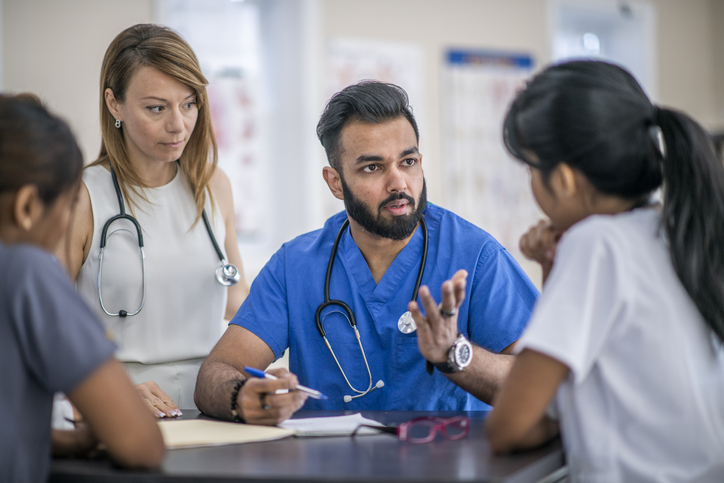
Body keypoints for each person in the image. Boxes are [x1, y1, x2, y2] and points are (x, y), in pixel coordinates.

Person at [194, 81, 538, 425]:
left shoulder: (476, 256)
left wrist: (456, 355)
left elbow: (536, 383)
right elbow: (217, 370)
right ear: (336, 182)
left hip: (446, 465)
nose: (398, 183)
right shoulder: (294, 266)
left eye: (408, 161)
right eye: (373, 167)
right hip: (328, 467)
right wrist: (243, 396)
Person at [485, 60, 724, 481]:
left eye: (530, 169)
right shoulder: (675, 229)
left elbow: (511, 425)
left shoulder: (597, 243)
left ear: (563, 180)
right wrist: (552, 268)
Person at [58, 24, 250, 416]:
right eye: (156, 108)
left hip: (208, 405)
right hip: (121, 406)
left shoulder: (213, 185)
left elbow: (238, 302)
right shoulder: (81, 195)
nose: (178, 125)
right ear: (115, 104)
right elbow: (45, 325)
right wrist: (109, 391)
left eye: (189, 104)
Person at [0, 95, 165, 482]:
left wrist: (61, 440)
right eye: (70, 203)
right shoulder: (26, 270)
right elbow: (140, 444)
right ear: (26, 207)